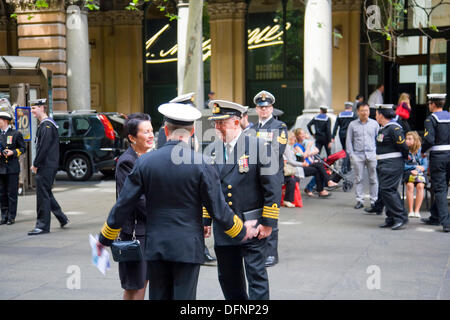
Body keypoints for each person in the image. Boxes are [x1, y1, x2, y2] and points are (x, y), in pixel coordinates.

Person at [97, 102, 256, 300]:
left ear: (165, 130)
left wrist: (104, 238)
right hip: (188, 247)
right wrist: (241, 231)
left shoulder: (145, 163)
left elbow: (123, 206)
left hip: (156, 246)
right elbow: (218, 209)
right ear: (191, 133)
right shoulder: (202, 164)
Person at [204, 99, 279, 299]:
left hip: (252, 224)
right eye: (215, 123)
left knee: (256, 277)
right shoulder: (211, 150)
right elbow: (208, 189)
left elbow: (272, 187)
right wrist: (206, 220)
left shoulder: (258, 145)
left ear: (236, 122)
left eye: (222, 123)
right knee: (229, 279)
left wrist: (269, 222)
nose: (217, 127)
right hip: (225, 226)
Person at [115, 113, 153, 300]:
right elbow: (136, 200)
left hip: (148, 231)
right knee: (134, 286)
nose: (151, 135)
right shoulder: (127, 162)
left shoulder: (149, 157)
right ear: (132, 137)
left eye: (151, 131)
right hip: (135, 233)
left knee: (142, 282)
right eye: (145, 132)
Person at [253, 90, 288, 267]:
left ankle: (271, 253)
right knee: (257, 214)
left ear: (272, 108)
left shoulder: (279, 127)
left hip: (271, 175)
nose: (264, 110)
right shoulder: (252, 129)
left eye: (267, 107)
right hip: (254, 177)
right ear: (256, 109)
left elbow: (276, 151)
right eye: (261, 107)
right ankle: (260, 249)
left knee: (270, 213)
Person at [28, 99, 69, 236]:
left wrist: (35, 164)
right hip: (48, 165)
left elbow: (43, 148)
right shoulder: (47, 124)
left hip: (45, 165)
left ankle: (42, 226)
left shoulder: (46, 125)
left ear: (41, 108)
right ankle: (62, 218)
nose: (32, 111)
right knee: (46, 193)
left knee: (42, 196)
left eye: (34, 108)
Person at [375, 104, 409, 230]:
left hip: (392, 164)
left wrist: (406, 157)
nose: (376, 116)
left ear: (381, 115)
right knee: (387, 191)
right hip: (384, 164)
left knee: (387, 190)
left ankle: (400, 217)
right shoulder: (383, 129)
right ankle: (391, 218)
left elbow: (403, 146)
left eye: (377, 113)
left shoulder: (394, 128)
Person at [420, 94, 450, 233]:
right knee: (443, 187)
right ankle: (435, 216)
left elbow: (429, 140)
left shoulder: (431, 119)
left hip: (438, 157)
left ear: (432, 104)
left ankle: (446, 222)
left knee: (439, 189)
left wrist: (422, 151)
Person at [346, 102, 379, 210]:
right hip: (358, 155)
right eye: (363, 110)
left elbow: (378, 140)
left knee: (373, 179)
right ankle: (359, 200)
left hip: (372, 154)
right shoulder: (352, 124)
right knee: (358, 179)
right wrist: (352, 155)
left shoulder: (375, 124)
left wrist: (377, 153)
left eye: (367, 110)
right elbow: (349, 141)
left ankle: (374, 200)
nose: (365, 113)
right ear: (358, 111)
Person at [285, 131, 332, 198]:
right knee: (318, 167)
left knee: (319, 165)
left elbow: (316, 150)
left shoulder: (293, 146)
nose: (294, 139)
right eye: (293, 137)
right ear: (289, 138)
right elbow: (293, 160)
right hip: (297, 167)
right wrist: (302, 163)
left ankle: (323, 186)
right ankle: (323, 186)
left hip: (302, 164)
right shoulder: (293, 146)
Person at [0, 103, 25, 225]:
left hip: (12, 168)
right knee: (2, 193)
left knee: (12, 193)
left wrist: (13, 152)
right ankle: (4, 216)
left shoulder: (15, 134)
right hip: (1, 168)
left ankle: (11, 216)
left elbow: (23, 148)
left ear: (4, 121)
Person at [404, 131, 428, 219]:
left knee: (420, 186)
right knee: (410, 185)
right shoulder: (404, 150)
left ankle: (417, 210)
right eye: (406, 139)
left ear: (415, 140)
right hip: (408, 172)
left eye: (409, 139)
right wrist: (413, 168)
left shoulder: (421, 150)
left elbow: (425, 165)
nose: (407, 141)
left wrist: (417, 169)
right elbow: (403, 165)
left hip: (420, 173)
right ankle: (410, 210)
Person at [332, 102, 357, 174]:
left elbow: (336, 126)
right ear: (351, 107)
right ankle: (344, 167)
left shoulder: (340, 115)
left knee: (345, 149)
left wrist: (333, 136)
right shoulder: (353, 115)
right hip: (350, 134)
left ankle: (348, 167)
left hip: (341, 134)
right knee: (348, 150)